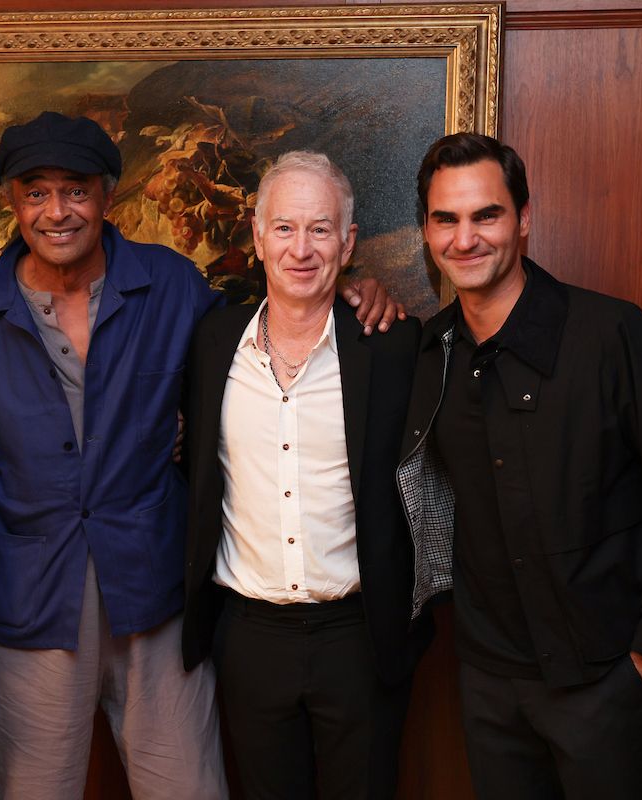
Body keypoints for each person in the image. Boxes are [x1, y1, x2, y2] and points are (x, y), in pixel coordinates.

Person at [0, 112, 400, 799]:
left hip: (155, 597)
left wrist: (355, 289)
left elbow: (279, 314)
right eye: (36, 191)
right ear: (13, 202)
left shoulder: (174, 287)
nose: (57, 210)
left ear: (107, 196)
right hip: (29, 607)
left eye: (76, 189)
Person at [398, 132, 642, 799]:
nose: (465, 238)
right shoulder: (429, 357)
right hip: (489, 686)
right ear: (427, 232)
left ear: (523, 219)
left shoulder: (613, 337)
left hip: (605, 685)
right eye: (446, 219)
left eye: (486, 215)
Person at [181, 151, 430, 799]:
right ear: (258, 236)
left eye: (320, 229)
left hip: (360, 637)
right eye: (285, 228)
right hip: (248, 638)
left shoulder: (394, 346)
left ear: (348, 244)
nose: (301, 248)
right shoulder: (211, 345)